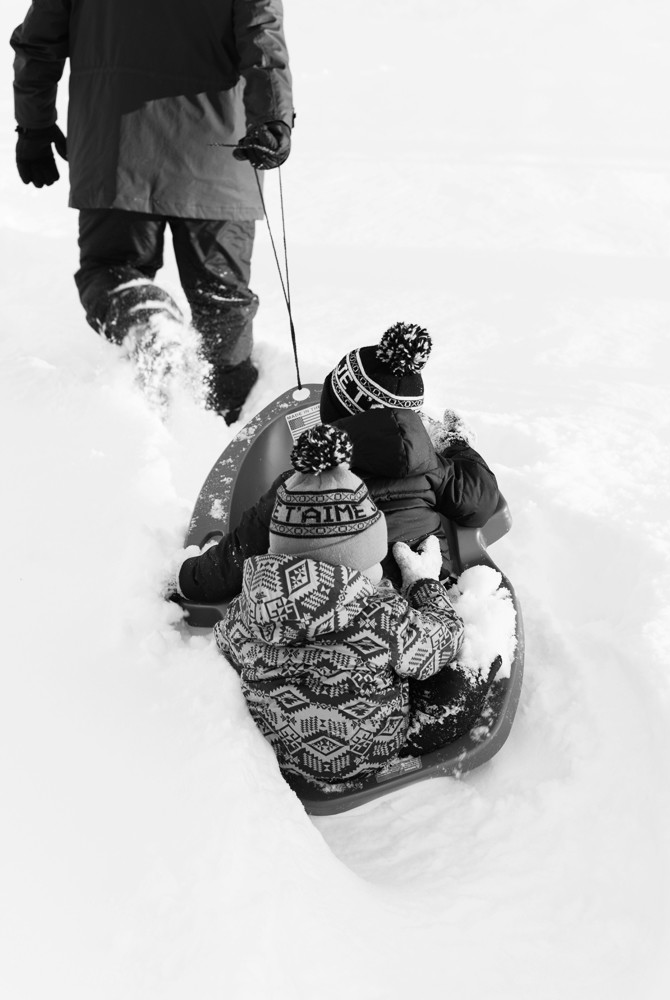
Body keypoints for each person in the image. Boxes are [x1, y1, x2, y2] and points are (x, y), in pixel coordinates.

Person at [11, 0, 294, 422]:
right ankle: (223, 430)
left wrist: (34, 124)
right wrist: (273, 121)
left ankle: (147, 323)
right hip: (217, 160)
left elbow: (40, 41)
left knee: (112, 270)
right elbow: (262, 40)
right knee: (222, 303)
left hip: (116, 152)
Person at [214, 423, 467, 785]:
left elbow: (225, 641)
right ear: (359, 556)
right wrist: (424, 585)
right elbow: (446, 640)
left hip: (285, 756)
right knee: (464, 677)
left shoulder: (248, 610)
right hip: (374, 753)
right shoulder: (383, 619)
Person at [176, 321, 501, 599]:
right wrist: (459, 445)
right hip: (427, 595)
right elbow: (481, 498)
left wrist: (187, 579)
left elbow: (238, 556)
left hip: (349, 607)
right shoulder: (431, 466)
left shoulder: (303, 483)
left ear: (334, 414)